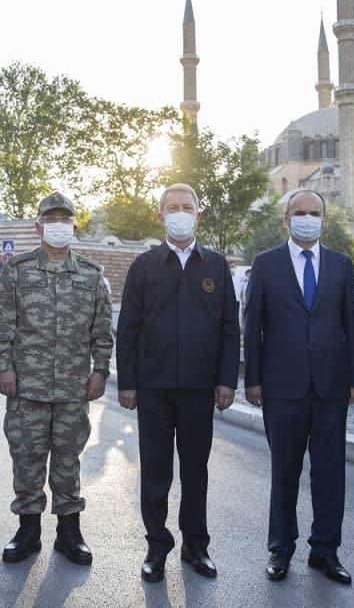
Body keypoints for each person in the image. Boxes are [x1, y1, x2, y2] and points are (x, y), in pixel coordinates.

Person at [115, 184, 239, 583]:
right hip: (153, 388)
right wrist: (127, 383)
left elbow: (228, 328)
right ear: (161, 215)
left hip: (199, 390)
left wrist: (225, 381)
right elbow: (128, 329)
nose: (181, 213)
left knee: (195, 471)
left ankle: (195, 546)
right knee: (155, 471)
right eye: (174, 207)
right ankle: (156, 547)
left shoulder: (216, 266)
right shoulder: (145, 266)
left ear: (199, 215)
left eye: (188, 207)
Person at [0, 191, 113, 566]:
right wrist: (4, 367)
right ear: (39, 225)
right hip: (27, 386)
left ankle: (69, 532)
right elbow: (0, 324)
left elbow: (102, 329)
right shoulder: (18, 270)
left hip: (74, 387)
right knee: (26, 457)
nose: (58, 224)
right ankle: (28, 530)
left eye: (65, 218)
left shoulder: (91, 274)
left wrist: (101, 370)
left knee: (68, 459)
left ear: (74, 224)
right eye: (51, 218)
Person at [243, 189, 354, 584]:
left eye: (314, 213)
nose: (307, 218)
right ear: (286, 219)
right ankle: (281, 548)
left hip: (331, 388)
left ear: (324, 221)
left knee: (329, 474)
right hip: (281, 386)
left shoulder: (342, 265)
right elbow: (253, 325)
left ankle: (325, 551)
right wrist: (253, 379)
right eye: (299, 213)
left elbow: (352, 323)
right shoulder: (266, 264)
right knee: (284, 471)